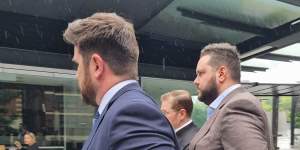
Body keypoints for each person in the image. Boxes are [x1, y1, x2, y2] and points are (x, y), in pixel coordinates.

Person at [63, 12, 179, 150]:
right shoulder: (118, 110)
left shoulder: (131, 112)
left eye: (78, 65)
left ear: (97, 66)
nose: (77, 74)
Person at [190, 43, 273, 150]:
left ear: (221, 74)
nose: (195, 81)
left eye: (200, 73)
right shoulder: (227, 107)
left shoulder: (237, 107)